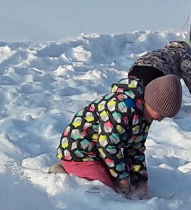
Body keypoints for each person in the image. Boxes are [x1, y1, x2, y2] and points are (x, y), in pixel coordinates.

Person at [54, 74, 182, 200]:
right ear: (153, 103)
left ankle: (99, 172)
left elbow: (136, 148)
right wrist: (122, 178)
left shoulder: (145, 115)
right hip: (79, 151)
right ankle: (64, 172)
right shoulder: (120, 108)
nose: (160, 120)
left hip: (101, 153)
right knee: (106, 191)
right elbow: (109, 147)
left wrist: (140, 181)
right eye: (161, 114)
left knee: (122, 184)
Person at [128, 40, 191, 116]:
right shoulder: (183, 55)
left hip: (134, 69)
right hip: (155, 71)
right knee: (153, 106)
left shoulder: (162, 51)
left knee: (135, 98)